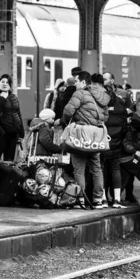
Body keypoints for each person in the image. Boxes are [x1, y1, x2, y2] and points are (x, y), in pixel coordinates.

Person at [59, 71, 110, 209]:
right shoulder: (103, 96)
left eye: (76, 81)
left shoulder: (80, 93)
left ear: (83, 82)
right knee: (96, 168)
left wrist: (66, 121)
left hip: (80, 134)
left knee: (79, 169)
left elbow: (68, 111)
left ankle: (80, 199)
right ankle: (98, 199)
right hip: (96, 136)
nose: (75, 84)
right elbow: (105, 117)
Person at [97, 73, 128, 208]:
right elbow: (125, 124)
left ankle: (103, 199)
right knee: (116, 170)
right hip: (116, 142)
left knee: (101, 170)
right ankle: (117, 200)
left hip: (102, 140)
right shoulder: (120, 102)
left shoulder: (99, 104)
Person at [0, 74, 24, 162]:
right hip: (1, 134)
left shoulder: (13, 97)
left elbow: (18, 113)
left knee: (9, 160)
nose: (5, 84)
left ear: (10, 85)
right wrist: (2, 98)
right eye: (2, 82)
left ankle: (6, 175)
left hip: (13, 133)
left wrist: (21, 132)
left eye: (7, 82)